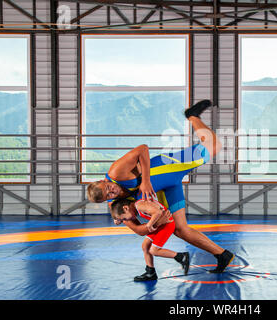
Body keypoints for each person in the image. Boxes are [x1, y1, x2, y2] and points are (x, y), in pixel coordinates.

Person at [87, 100, 234, 273]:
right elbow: (138, 230)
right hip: (166, 187)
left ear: (104, 181)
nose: (112, 192)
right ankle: (222, 255)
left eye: (108, 188)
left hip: (165, 167)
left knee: (213, 146)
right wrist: (152, 225)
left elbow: (143, 149)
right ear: (107, 200)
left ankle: (192, 117)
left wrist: (146, 181)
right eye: (109, 196)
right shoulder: (114, 204)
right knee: (180, 229)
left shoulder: (116, 171)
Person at [110, 196, 190, 282]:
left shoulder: (140, 205)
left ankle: (181, 257)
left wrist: (149, 224)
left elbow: (158, 212)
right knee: (145, 246)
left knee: (154, 251)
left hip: (167, 224)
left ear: (125, 208)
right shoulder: (136, 207)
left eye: (125, 218)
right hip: (160, 224)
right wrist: (118, 219)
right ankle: (150, 272)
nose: (127, 220)